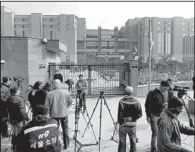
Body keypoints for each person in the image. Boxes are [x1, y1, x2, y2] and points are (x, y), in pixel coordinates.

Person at [45, 79, 73, 150]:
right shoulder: (66, 92)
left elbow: (46, 106)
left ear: (53, 84)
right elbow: (70, 101)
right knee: (65, 129)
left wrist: (47, 114)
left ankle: (56, 145)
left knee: (55, 130)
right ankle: (66, 144)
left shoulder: (49, 93)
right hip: (64, 113)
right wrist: (67, 106)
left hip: (54, 114)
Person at [145, 80, 170, 152]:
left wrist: (165, 104)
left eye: (167, 89)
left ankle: (160, 145)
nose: (165, 90)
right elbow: (147, 105)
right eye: (164, 88)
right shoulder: (152, 93)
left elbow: (165, 101)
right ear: (160, 85)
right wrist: (148, 116)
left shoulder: (166, 92)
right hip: (153, 115)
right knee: (155, 132)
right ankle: (153, 148)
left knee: (162, 131)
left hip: (162, 115)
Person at [118, 86, 142, 152]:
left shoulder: (121, 102)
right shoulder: (137, 102)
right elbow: (140, 114)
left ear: (125, 92)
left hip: (123, 125)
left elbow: (119, 115)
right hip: (133, 126)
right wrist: (132, 118)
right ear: (132, 93)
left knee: (122, 143)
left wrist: (121, 123)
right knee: (133, 142)